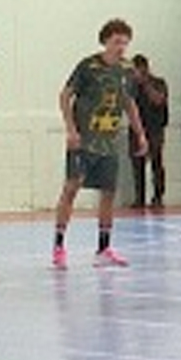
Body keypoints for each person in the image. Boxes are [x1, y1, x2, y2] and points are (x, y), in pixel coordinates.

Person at [52, 19, 148, 269]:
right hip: (84, 141)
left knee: (108, 193)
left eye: (125, 42)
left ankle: (103, 247)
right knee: (71, 188)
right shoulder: (88, 66)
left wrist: (140, 133)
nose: (121, 47)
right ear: (105, 41)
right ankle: (59, 245)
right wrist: (71, 129)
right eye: (117, 42)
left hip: (109, 142)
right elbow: (65, 95)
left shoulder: (126, 70)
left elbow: (129, 103)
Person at [129, 54, 168, 207]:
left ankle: (158, 196)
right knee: (137, 164)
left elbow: (159, 100)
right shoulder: (131, 86)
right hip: (137, 127)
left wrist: (145, 84)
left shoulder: (158, 83)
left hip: (155, 127)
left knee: (156, 163)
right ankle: (139, 197)